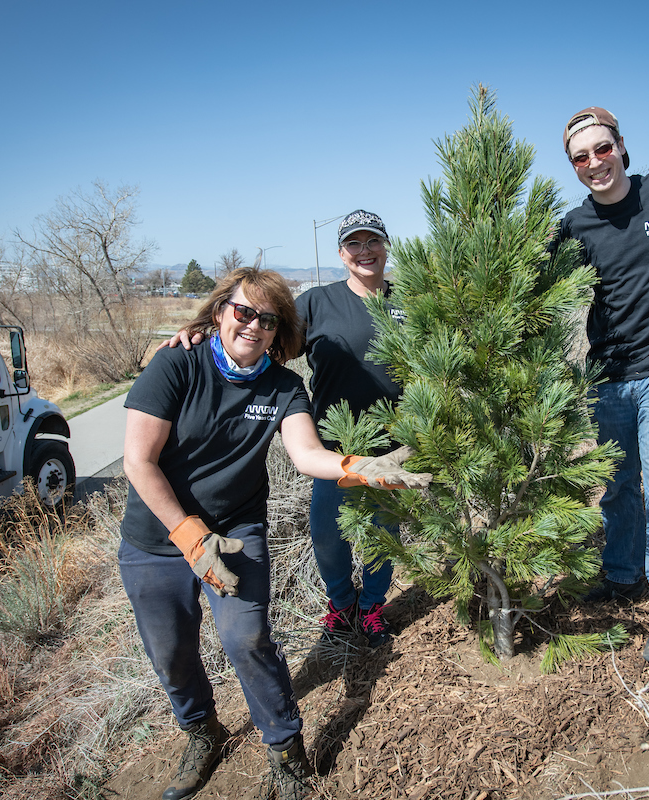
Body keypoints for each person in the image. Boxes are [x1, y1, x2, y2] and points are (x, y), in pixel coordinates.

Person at [120, 266, 429, 800]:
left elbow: (308, 455)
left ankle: (287, 752)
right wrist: (189, 535)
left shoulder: (284, 386)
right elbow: (137, 461)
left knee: (247, 638)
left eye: (268, 319)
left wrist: (362, 466)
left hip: (237, 531)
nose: (254, 326)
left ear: (280, 330)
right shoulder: (176, 364)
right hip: (158, 536)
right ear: (220, 312)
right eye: (243, 312)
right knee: (171, 651)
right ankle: (202, 732)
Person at [555, 107, 649, 669]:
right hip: (609, 376)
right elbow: (538, 294)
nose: (596, 163)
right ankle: (621, 573)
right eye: (582, 157)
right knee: (617, 484)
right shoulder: (575, 226)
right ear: (574, 166)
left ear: (622, 147)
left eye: (603, 148)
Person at [296, 209, 406, 647]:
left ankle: (372, 606)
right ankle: (341, 605)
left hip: (395, 445)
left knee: (384, 532)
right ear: (341, 253)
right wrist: (200, 334)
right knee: (327, 533)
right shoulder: (316, 302)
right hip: (334, 448)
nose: (366, 251)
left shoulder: (409, 299)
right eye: (355, 244)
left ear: (386, 246)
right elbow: (267, 345)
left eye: (373, 241)